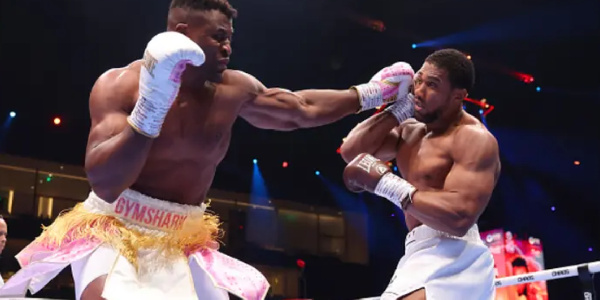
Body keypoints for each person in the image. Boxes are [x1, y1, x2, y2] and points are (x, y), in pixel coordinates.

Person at [0, 0, 415, 300]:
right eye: (218, 37)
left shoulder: (233, 88)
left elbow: (299, 109)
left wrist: (370, 92)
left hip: (183, 234)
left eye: (230, 38)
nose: (228, 47)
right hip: (116, 226)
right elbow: (105, 182)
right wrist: (151, 107)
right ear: (180, 35)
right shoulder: (120, 85)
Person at [341, 48, 501, 300]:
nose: (419, 90)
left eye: (432, 85)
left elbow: (459, 219)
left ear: (458, 96)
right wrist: (397, 109)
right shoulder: (410, 132)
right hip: (417, 249)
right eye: (418, 80)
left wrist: (387, 184)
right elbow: (353, 151)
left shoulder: (473, 138)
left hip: (455, 252)